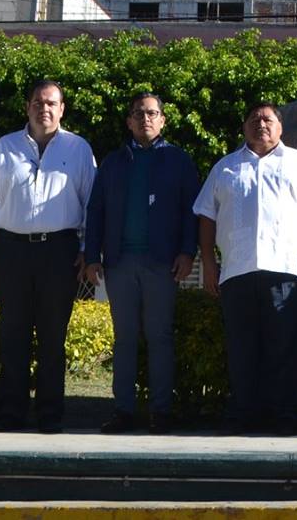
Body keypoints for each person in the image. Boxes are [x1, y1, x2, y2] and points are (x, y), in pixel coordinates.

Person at [193, 102, 297, 433]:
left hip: (284, 270)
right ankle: (243, 415)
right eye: (254, 120)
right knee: (242, 349)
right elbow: (206, 217)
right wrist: (209, 264)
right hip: (237, 273)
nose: (261, 125)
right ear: (244, 127)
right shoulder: (226, 168)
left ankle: (283, 416)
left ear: (281, 128)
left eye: (268, 119)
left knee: (282, 348)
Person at [0, 78, 96, 433]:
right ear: (27, 107)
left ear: (62, 109)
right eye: (38, 103)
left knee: (54, 336)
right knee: (13, 334)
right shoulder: (4, 147)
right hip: (11, 250)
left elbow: (90, 203)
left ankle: (50, 415)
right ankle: (10, 413)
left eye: (52, 103)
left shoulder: (79, 149)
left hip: (60, 251)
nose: (45, 109)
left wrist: (87, 250)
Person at [84, 91, 200, 433]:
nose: (145, 119)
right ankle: (123, 411)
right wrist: (92, 256)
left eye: (151, 113)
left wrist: (187, 252)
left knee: (160, 335)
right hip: (120, 263)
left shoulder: (179, 160)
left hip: (162, 263)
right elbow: (96, 211)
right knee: (125, 337)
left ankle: (160, 411)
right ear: (129, 122)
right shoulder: (113, 162)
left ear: (163, 120)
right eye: (138, 114)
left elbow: (191, 212)